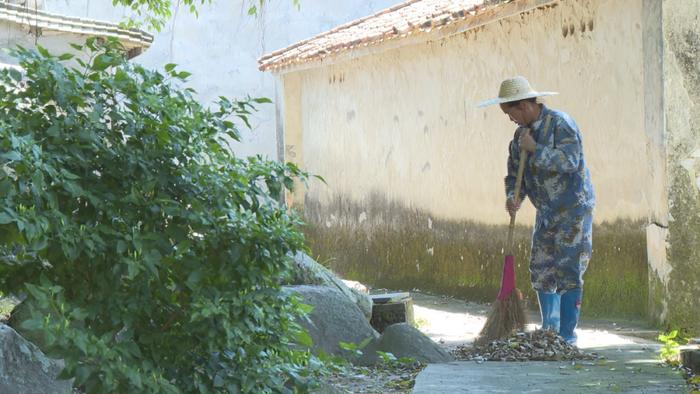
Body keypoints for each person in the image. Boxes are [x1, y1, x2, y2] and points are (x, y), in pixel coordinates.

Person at [478, 76, 595, 345]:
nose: (511, 120)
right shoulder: (519, 137)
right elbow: (513, 175)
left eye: (510, 113)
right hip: (546, 211)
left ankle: (567, 334)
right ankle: (549, 328)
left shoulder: (561, 124)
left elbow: (571, 161)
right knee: (541, 269)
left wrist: (537, 150)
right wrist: (513, 196)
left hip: (573, 209)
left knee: (569, 268)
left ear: (523, 106)